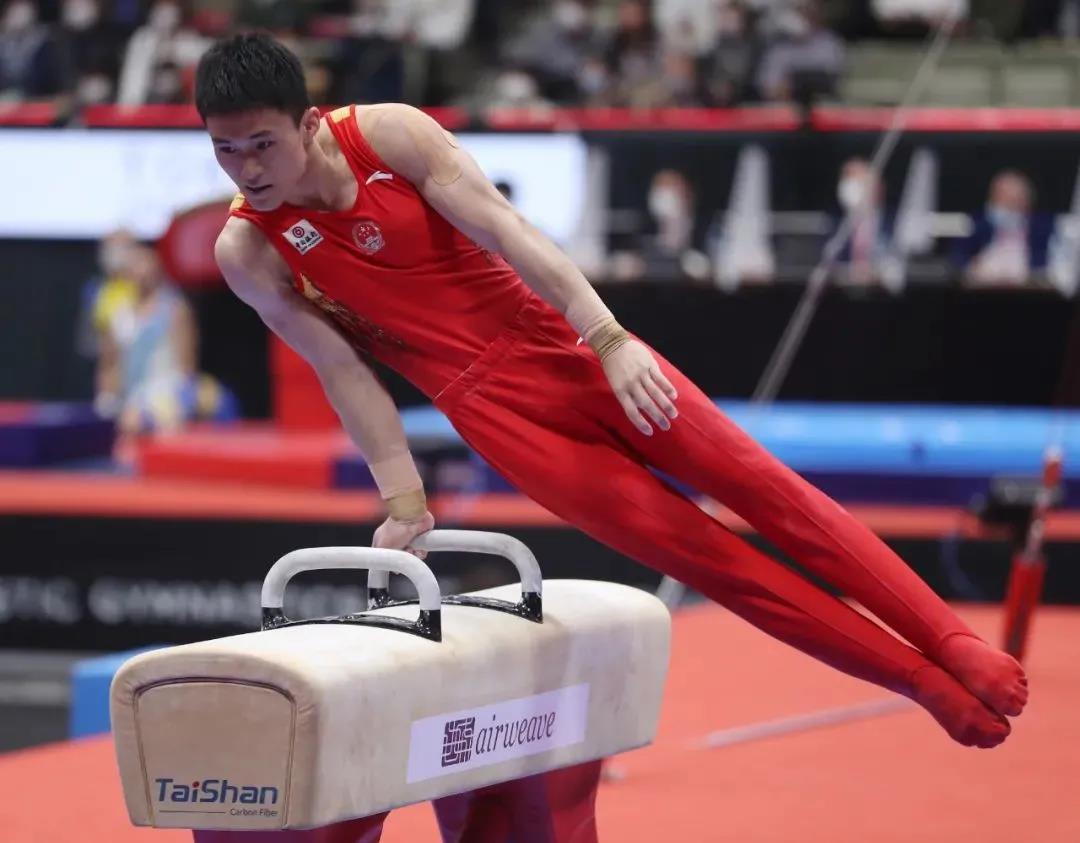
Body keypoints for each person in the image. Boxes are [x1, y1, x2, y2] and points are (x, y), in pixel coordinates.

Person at [196, 32, 1027, 841]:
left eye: (262, 144)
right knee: (716, 563)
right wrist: (403, 499)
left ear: (309, 123)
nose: (247, 169)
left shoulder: (389, 136)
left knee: (767, 490)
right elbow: (344, 372)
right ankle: (920, 681)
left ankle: (950, 639)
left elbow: (510, 233)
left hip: (568, 342)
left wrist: (610, 339)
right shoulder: (250, 251)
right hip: (498, 416)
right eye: (225, 150)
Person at [955, 169, 1054, 288]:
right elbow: (958, 258)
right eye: (1005, 200)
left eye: (1017, 201)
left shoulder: (1042, 228)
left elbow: (1047, 266)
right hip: (982, 288)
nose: (1011, 208)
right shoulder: (975, 224)